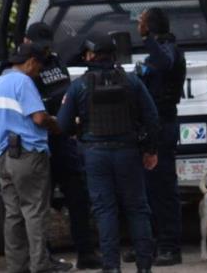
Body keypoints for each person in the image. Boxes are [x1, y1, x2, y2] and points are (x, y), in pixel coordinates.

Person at [57, 32, 160, 273]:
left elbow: (61, 126)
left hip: (95, 156)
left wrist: (78, 130)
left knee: (105, 211)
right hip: (128, 153)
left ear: (90, 55)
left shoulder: (79, 86)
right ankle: (144, 267)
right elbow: (152, 118)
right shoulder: (132, 81)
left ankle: (111, 267)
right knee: (137, 209)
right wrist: (150, 150)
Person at [24, 23, 101, 270]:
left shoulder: (55, 61)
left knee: (78, 198)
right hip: (39, 141)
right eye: (40, 47)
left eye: (47, 46)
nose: (45, 51)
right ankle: (43, 257)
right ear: (27, 42)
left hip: (64, 140)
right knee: (40, 204)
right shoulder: (23, 67)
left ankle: (86, 252)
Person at [0, 42, 65, 273]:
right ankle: (40, 265)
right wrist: (56, 124)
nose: (38, 72)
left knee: (13, 213)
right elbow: (39, 118)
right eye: (38, 67)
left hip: (5, 156)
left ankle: (17, 267)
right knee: (34, 211)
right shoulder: (23, 82)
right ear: (31, 61)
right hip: (29, 155)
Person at [137, 8, 187, 267]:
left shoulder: (167, 49)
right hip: (152, 127)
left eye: (141, 22)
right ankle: (152, 244)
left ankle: (170, 246)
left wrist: (148, 39)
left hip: (163, 125)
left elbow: (165, 64)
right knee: (148, 190)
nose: (137, 25)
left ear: (150, 27)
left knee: (164, 189)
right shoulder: (159, 49)